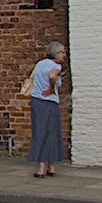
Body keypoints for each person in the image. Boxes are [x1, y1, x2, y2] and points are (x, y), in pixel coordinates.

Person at [28, 40, 66, 178]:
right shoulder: (56, 66)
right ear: (56, 53)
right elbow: (52, 76)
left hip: (37, 101)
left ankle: (47, 166)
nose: (64, 55)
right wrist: (51, 89)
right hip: (49, 102)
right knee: (51, 132)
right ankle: (46, 167)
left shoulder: (40, 64)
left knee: (40, 131)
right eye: (62, 52)